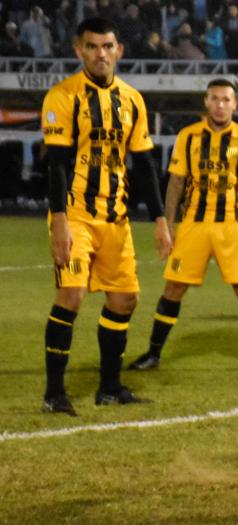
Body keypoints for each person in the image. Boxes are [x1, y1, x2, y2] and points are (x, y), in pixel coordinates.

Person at [40, 17, 172, 416]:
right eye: (93, 47)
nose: (101, 53)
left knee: (125, 299)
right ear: (79, 51)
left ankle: (110, 388)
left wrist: (161, 219)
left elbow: (146, 165)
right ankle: (53, 394)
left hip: (116, 217)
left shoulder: (131, 100)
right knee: (72, 295)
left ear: (119, 51)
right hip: (76, 214)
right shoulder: (63, 97)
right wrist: (59, 220)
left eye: (108, 46)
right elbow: (57, 165)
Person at [127, 79, 238, 372]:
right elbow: (176, 183)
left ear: (234, 104)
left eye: (226, 99)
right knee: (174, 287)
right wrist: (167, 226)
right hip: (193, 224)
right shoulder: (188, 137)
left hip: (232, 226)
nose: (220, 105)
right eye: (215, 99)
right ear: (206, 102)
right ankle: (153, 354)